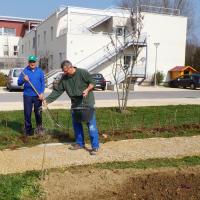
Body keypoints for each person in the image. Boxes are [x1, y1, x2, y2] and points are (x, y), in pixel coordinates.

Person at [44, 60, 99, 155]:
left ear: (71, 67)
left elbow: (92, 82)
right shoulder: (64, 78)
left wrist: (87, 89)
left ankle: (95, 147)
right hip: (75, 104)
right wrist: (47, 100)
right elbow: (57, 91)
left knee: (91, 125)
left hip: (87, 103)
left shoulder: (82, 72)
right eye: (64, 72)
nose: (65, 73)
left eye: (66, 71)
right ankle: (79, 143)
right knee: (76, 124)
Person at [18, 55, 45, 136]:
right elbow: (19, 83)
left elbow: (42, 83)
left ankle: (39, 129)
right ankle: (28, 130)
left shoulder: (40, 71)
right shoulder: (24, 71)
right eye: (31, 62)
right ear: (28, 62)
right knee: (27, 113)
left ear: (36, 62)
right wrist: (24, 79)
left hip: (38, 96)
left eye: (33, 62)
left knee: (38, 113)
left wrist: (42, 93)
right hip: (27, 96)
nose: (32, 63)